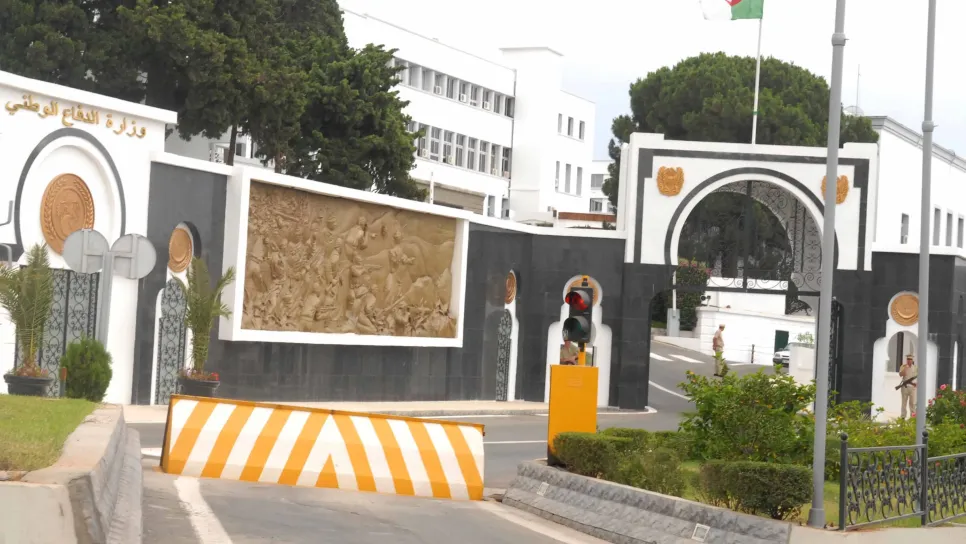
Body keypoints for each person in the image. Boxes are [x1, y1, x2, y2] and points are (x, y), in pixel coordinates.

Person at [899, 354, 918, 419]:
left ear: (912, 360)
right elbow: (901, 374)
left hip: (912, 387)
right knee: (904, 402)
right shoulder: (903, 366)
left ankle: (912, 417)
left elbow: (917, 376)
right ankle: (903, 417)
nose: (909, 360)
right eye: (908, 359)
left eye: (910, 359)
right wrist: (906, 368)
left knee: (912, 403)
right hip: (905, 387)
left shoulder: (915, 367)